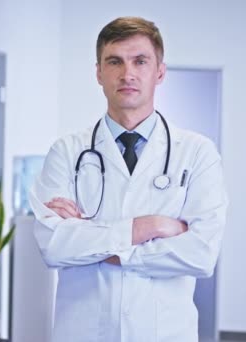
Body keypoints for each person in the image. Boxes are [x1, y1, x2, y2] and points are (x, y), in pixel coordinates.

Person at [29, 16, 228, 342]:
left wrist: (94, 244)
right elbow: (53, 246)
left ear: (159, 72)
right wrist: (148, 227)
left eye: (140, 61)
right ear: (99, 73)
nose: (127, 74)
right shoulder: (66, 152)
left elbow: (201, 254)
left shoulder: (197, 153)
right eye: (114, 61)